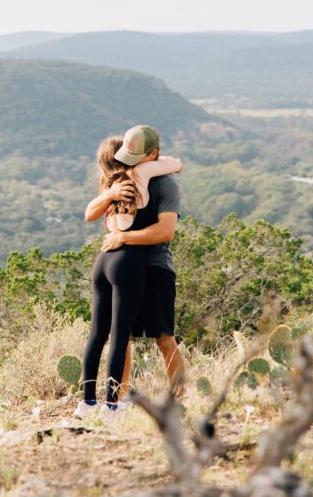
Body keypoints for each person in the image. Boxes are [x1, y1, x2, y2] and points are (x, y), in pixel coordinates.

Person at [76, 125, 186, 417]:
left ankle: (178, 398)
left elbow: (165, 231)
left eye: (137, 155)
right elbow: (90, 212)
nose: (130, 160)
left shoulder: (165, 185)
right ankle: (118, 398)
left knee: (163, 336)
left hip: (156, 267)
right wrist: (109, 194)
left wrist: (123, 237)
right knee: (120, 337)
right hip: (129, 266)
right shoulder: (124, 183)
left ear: (152, 154)